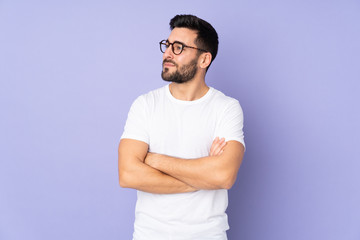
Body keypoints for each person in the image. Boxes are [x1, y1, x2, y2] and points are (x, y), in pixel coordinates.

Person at [118, 14, 245, 240]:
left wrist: (154, 160)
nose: (167, 53)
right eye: (167, 45)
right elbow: (128, 174)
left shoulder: (226, 108)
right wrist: (203, 177)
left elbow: (223, 176)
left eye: (178, 48)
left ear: (204, 60)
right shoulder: (145, 104)